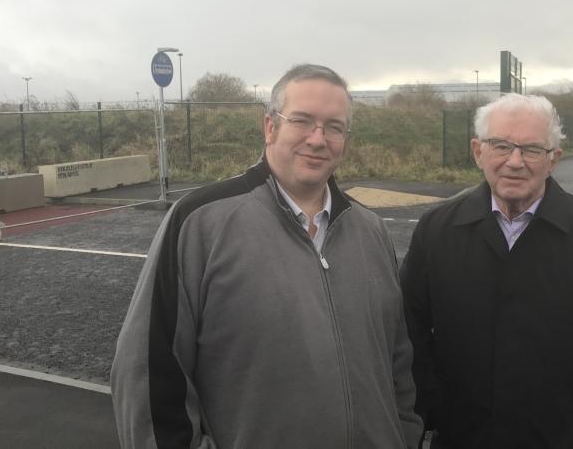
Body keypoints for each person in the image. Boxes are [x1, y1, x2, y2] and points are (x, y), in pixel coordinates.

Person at [111, 64, 422, 449]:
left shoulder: (371, 230)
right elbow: (148, 372)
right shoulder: (200, 222)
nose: (318, 138)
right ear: (270, 127)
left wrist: (404, 435)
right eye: (303, 121)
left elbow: (397, 362)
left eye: (334, 127)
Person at [400, 93, 573, 449]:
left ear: (553, 160)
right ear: (478, 152)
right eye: (500, 145)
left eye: (532, 149)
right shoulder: (435, 231)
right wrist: (435, 407)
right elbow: (407, 331)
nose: (515, 162)